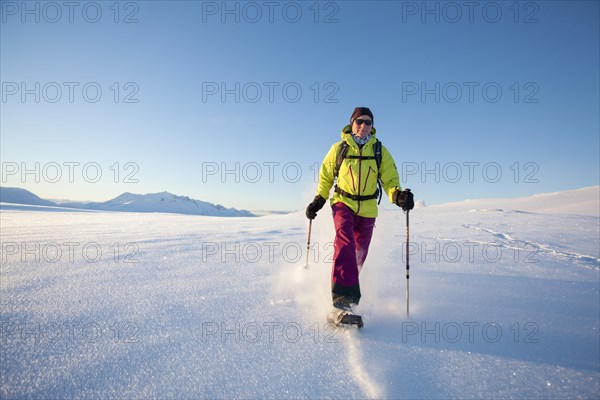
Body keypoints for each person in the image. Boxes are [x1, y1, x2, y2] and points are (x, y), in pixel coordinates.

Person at [305, 107, 414, 320]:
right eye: (359, 122)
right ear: (351, 123)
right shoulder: (339, 149)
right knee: (344, 243)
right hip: (342, 202)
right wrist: (319, 200)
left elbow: (390, 181)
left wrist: (399, 196)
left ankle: (347, 290)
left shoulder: (380, 151)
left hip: (368, 207)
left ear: (372, 127)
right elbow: (326, 177)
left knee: (359, 252)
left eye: (368, 123)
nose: (363, 126)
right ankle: (343, 301)